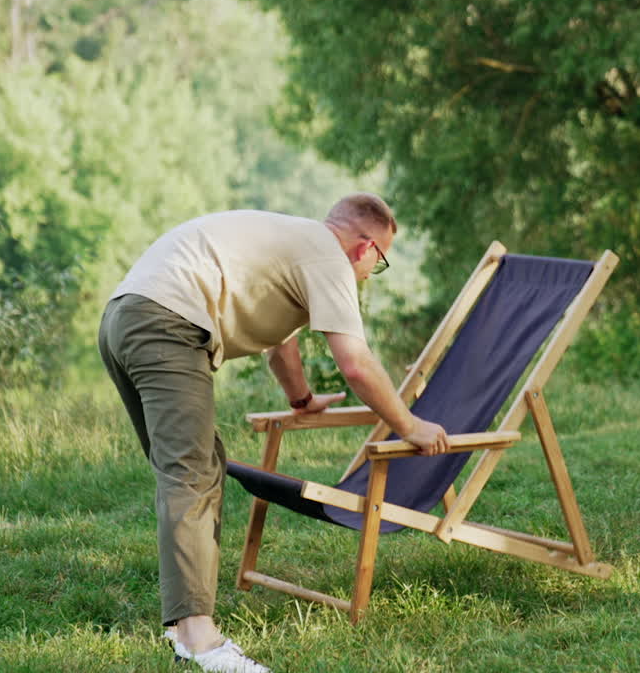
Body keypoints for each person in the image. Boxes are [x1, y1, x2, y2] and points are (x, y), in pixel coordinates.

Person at [97, 194, 448, 673]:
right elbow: (357, 364)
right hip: (167, 325)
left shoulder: (292, 244)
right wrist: (411, 425)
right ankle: (200, 639)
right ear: (366, 248)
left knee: (192, 469)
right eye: (379, 262)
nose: (370, 274)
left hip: (123, 317)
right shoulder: (329, 256)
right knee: (191, 475)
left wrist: (302, 400)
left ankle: (183, 628)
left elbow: (281, 345)